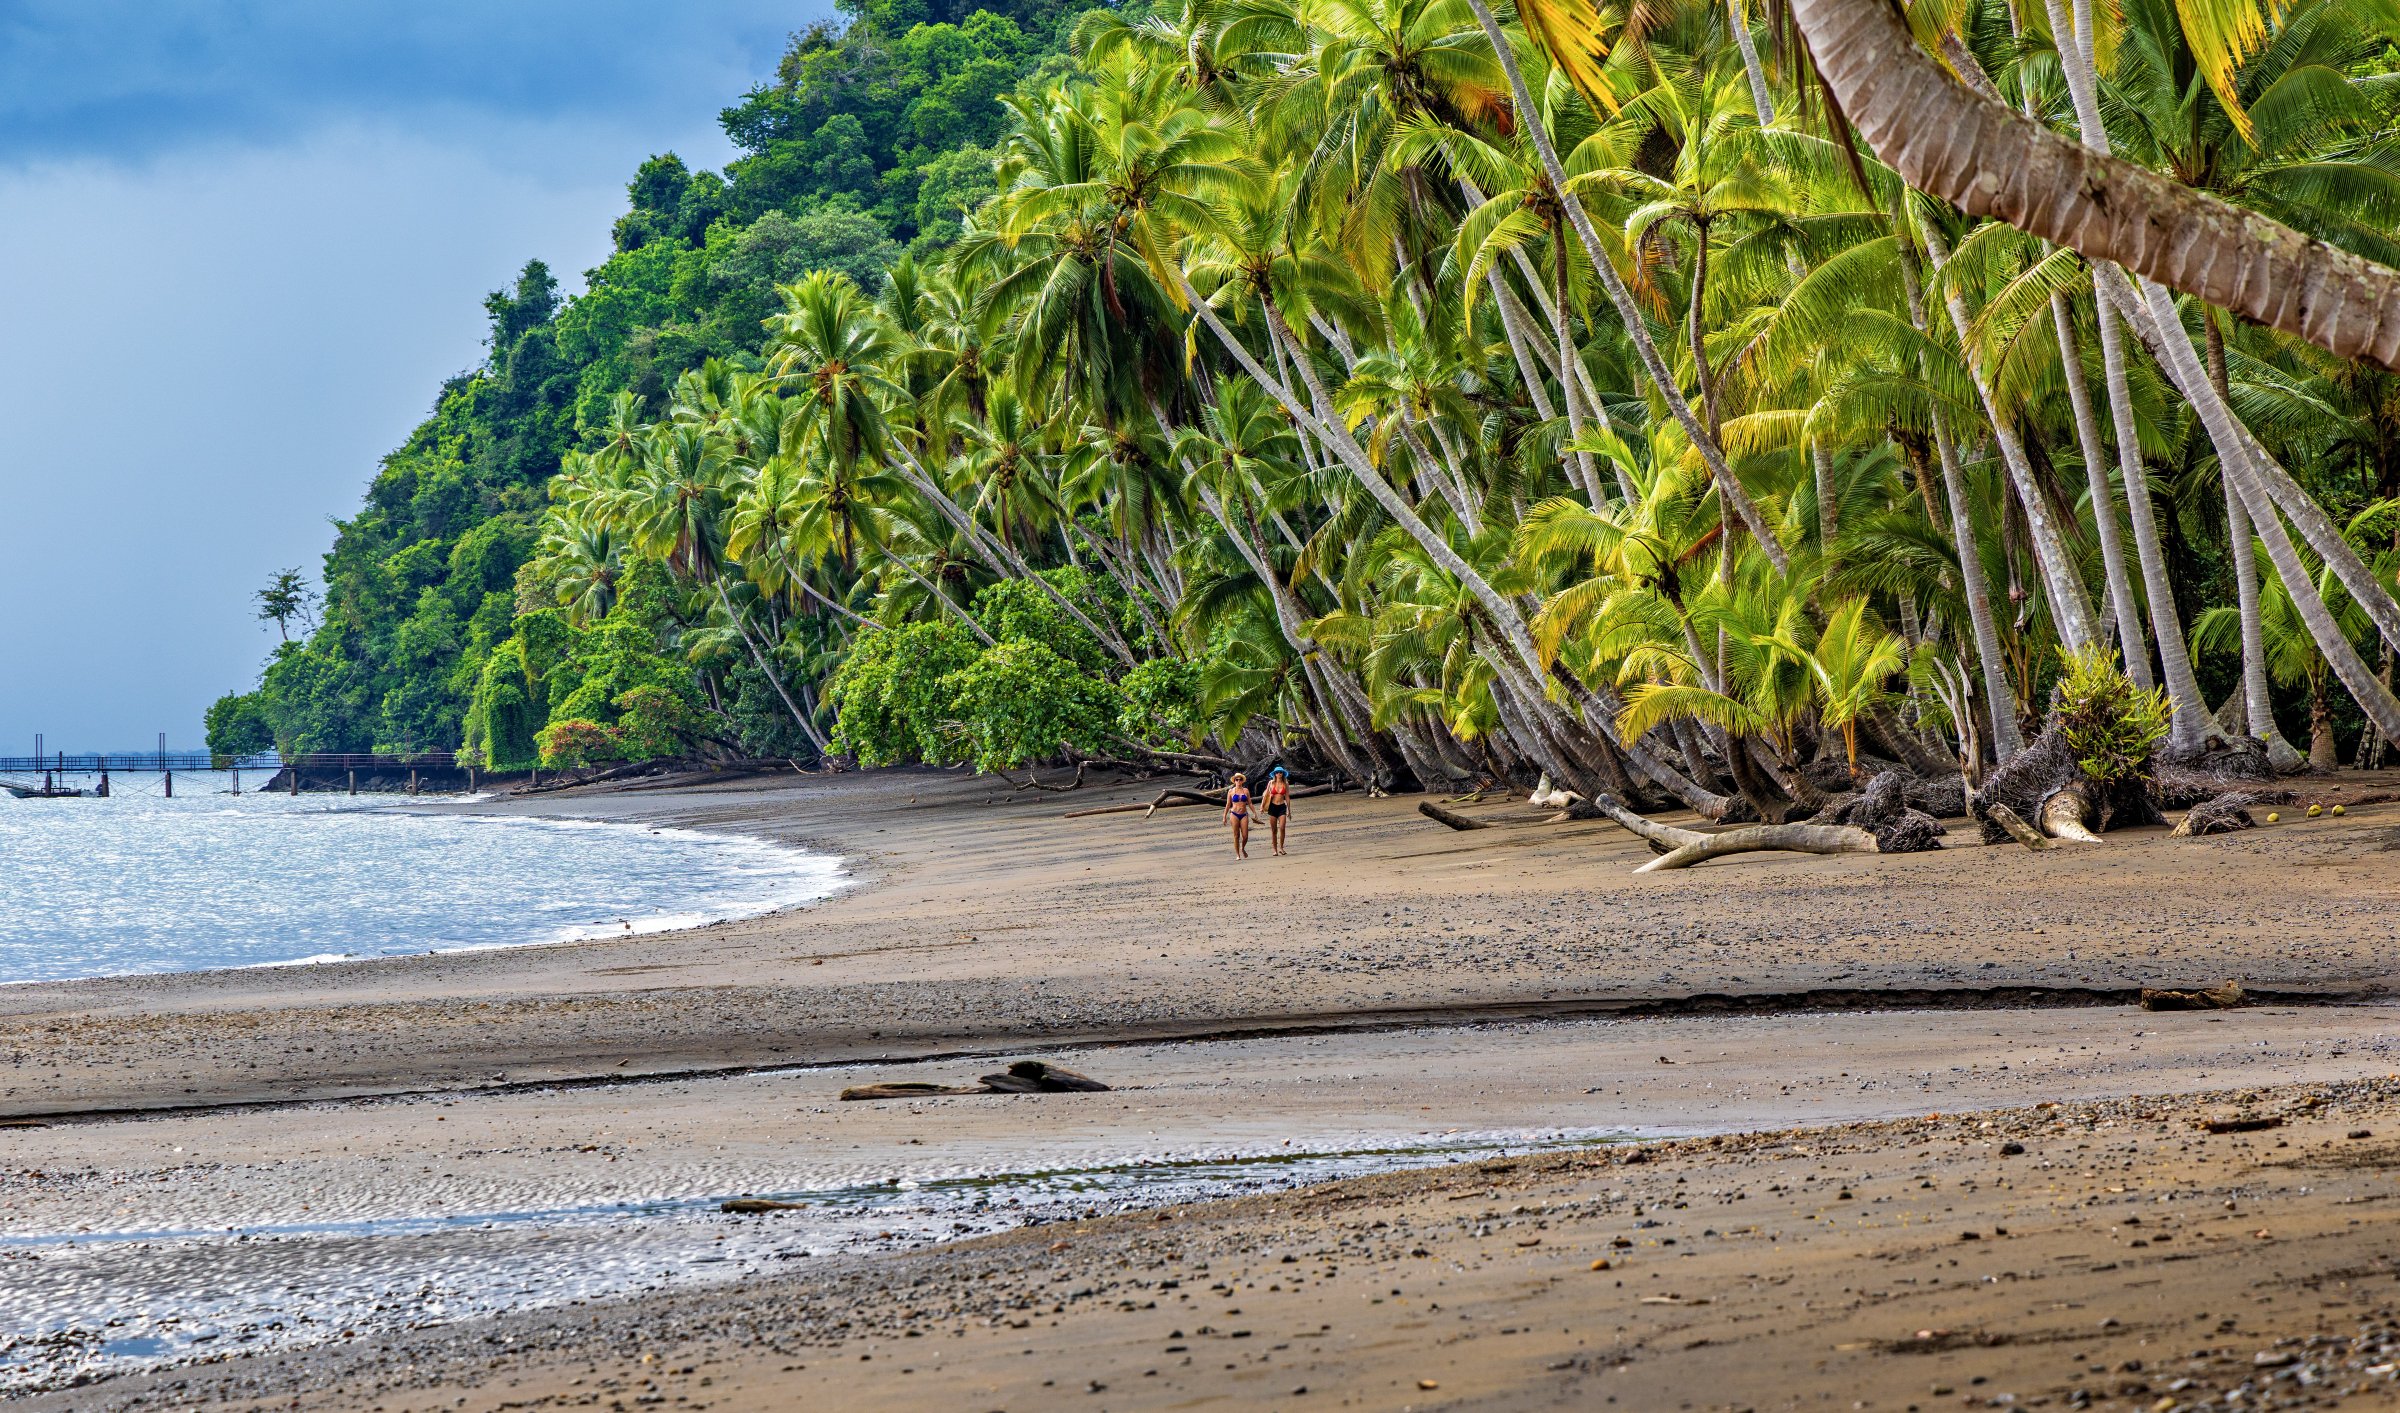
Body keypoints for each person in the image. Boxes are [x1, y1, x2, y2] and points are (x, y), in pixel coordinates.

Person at [1263, 766, 1292, 856]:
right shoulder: (1271, 783)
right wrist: (1262, 806)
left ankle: (1281, 847)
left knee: (1282, 827)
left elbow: (1287, 797)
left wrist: (1289, 810)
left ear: (1282, 774)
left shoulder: (1285, 783)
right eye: (1277, 772)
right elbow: (1265, 795)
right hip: (1272, 807)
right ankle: (1275, 850)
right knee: (1274, 830)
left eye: (1280, 772)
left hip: (1282, 807)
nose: (1279, 774)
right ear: (1274, 774)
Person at [1222, 772, 1252, 859]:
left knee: (1245, 835)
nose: (1238, 781)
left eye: (1240, 779)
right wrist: (1224, 816)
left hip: (1244, 814)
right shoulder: (1231, 791)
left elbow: (1249, 803)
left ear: (1242, 781)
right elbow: (1228, 804)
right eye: (1237, 779)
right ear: (1234, 781)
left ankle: (1242, 848)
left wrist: (1255, 813)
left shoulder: (1246, 790)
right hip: (1234, 814)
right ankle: (1238, 854)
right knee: (1236, 835)